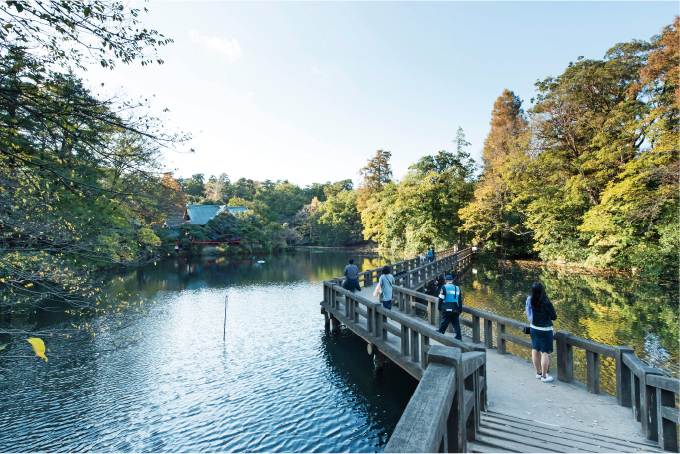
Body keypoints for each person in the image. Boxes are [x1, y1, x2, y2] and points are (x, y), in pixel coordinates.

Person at [526, 281, 557, 383]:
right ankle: (544, 377)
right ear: (543, 291)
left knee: (535, 350)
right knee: (545, 353)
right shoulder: (546, 303)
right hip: (545, 330)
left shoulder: (530, 300)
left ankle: (538, 373)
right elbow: (554, 317)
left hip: (534, 328)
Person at [437, 275, 462, 339]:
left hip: (447, 307)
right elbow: (460, 300)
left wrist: (439, 308)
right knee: (456, 322)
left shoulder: (444, 287)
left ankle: (441, 331)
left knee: (445, 320)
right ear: (452, 281)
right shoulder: (457, 288)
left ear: (445, 280)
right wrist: (460, 309)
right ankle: (458, 336)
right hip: (456, 308)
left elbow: (441, 298)